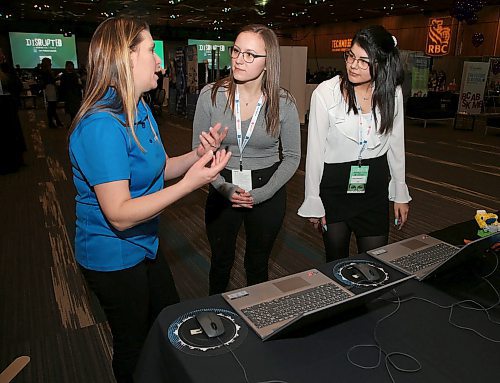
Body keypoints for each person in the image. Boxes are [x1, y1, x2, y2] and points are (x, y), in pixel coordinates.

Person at [68, 17, 231, 383]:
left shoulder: (138, 108)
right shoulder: (101, 126)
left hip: (145, 244)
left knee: (170, 317)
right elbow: (120, 215)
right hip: (112, 255)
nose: (160, 61)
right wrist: (191, 184)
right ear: (126, 58)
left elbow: (157, 168)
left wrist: (197, 156)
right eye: (151, 51)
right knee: (134, 344)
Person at [192, 24, 301, 294]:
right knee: (220, 262)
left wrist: (262, 193)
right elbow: (199, 150)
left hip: (268, 186)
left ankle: (258, 318)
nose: (240, 59)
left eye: (250, 54)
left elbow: (292, 157)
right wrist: (222, 186)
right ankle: (216, 319)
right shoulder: (211, 95)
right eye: (237, 51)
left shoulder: (283, 102)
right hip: (221, 183)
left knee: (257, 264)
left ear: (268, 62)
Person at [298, 25, 411, 262]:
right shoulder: (326, 93)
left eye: (363, 60)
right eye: (351, 56)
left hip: (374, 187)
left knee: (376, 263)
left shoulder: (393, 93)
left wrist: (400, 192)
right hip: (335, 187)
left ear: (382, 62)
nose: (353, 65)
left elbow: (396, 143)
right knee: (337, 262)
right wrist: (313, 200)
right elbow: (315, 153)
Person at [39, 57, 63, 128]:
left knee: (51, 106)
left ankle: (54, 122)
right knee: (52, 106)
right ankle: (54, 122)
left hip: (49, 89)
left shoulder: (44, 71)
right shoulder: (46, 72)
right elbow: (51, 81)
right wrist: (57, 77)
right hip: (50, 89)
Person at [59, 60, 83, 125]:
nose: (70, 67)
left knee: (75, 110)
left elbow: (79, 84)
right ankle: (73, 123)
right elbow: (62, 86)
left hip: (75, 95)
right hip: (69, 95)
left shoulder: (75, 75)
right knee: (71, 110)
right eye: (69, 66)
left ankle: (74, 123)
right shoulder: (64, 76)